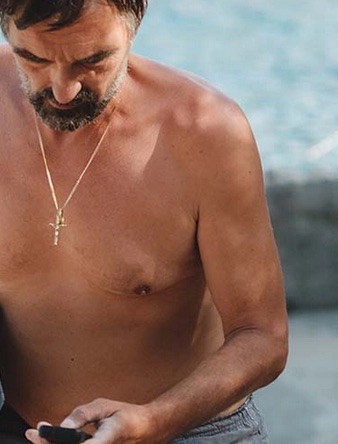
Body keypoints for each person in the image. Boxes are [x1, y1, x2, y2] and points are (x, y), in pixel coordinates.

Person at [0, 0, 289, 442]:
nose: (63, 91)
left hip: (191, 431)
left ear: (134, 23)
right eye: (33, 59)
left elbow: (263, 337)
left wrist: (155, 420)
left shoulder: (205, 132)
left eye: (92, 60)